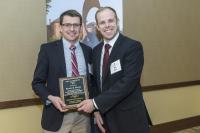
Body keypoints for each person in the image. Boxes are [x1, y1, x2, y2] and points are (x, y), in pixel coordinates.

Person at [77, 7, 150, 133]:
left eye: (110, 21)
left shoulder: (132, 47)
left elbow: (128, 83)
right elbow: (95, 83)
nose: (107, 25)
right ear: (98, 27)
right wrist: (96, 110)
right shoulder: (95, 51)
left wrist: (94, 103)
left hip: (130, 119)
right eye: (102, 23)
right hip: (106, 118)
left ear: (117, 22)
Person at [32, 10, 93, 133]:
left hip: (83, 117)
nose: (72, 28)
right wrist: (51, 98)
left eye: (76, 25)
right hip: (56, 116)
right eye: (67, 25)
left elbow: (92, 82)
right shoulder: (47, 50)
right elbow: (37, 83)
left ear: (81, 27)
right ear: (60, 27)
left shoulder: (88, 51)